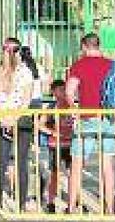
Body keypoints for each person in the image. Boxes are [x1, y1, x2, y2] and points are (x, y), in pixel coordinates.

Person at [65, 33, 115, 214]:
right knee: (107, 164)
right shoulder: (112, 64)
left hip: (86, 117)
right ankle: (109, 207)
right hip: (109, 117)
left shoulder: (79, 65)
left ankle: (72, 206)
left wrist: (73, 109)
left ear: (84, 46)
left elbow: (69, 92)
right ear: (99, 45)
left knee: (77, 164)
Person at [0, 38, 37, 212]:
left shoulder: (22, 72)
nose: (10, 53)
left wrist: (9, 118)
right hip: (8, 118)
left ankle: (13, 201)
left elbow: (26, 98)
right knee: (7, 161)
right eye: (9, 49)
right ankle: (6, 201)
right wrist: (5, 118)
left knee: (15, 161)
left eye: (12, 49)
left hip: (13, 119)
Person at [41, 80, 77, 213]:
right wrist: (52, 132)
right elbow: (40, 124)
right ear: (53, 92)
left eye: (64, 89)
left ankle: (73, 202)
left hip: (70, 144)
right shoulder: (51, 108)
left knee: (72, 174)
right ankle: (51, 202)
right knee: (55, 174)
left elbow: (78, 120)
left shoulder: (71, 106)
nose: (63, 92)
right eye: (60, 90)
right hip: (55, 144)